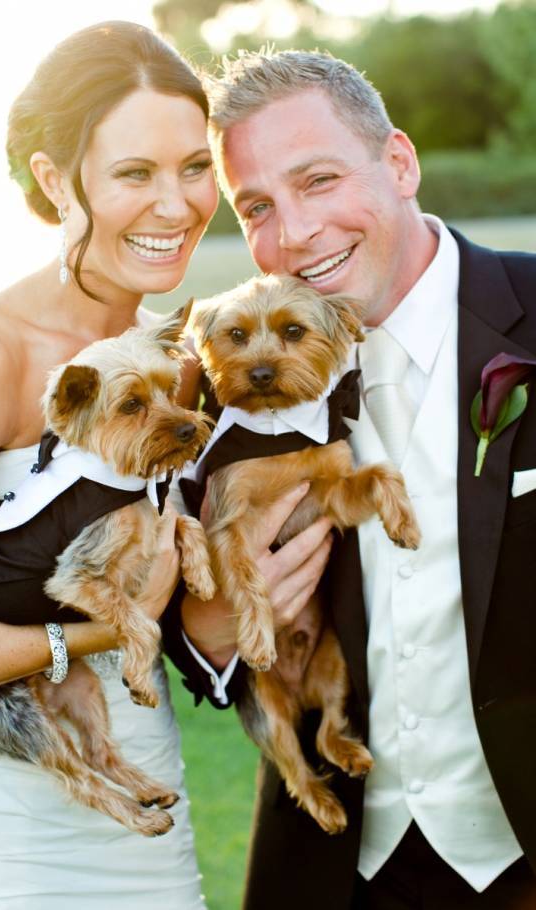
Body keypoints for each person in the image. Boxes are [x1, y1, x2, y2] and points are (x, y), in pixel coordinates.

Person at [0, 23, 330, 910]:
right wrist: (96, 636)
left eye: (195, 168)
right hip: (8, 841)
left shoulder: (182, 361)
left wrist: (229, 605)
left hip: (151, 814)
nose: (178, 204)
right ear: (53, 180)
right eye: (134, 174)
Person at [165, 49, 536, 909]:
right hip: (337, 864)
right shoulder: (232, 384)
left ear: (399, 163)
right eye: (256, 206)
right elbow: (193, 617)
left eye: (319, 179)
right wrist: (214, 627)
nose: (292, 234)